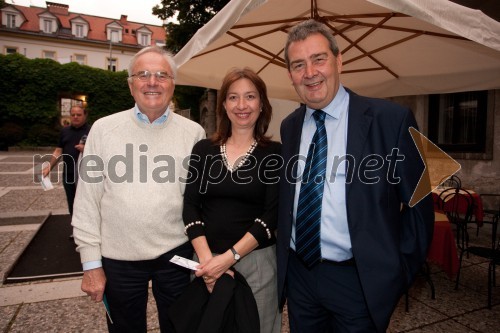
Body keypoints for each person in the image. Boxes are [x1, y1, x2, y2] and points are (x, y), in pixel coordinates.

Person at [276, 19, 434, 332]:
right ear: (291, 75)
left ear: (339, 60)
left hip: (359, 281)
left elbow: (421, 203)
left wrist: (396, 273)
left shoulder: (392, 120)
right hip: (301, 279)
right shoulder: (290, 127)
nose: (310, 73)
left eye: (319, 59)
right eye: (298, 65)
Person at [71, 45, 205, 333]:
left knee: (182, 326)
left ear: (172, 84)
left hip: (176, 255)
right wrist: (90, 264)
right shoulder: (104, 129)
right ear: (131, 85)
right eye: (143, 74)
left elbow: (199, 200)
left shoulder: (194, 133)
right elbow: (86, 201)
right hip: (118, 259)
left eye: (161, 75)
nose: (152, 82)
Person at [183, 67, 282, 333]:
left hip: (256, 264)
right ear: (224, 105)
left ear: (262, 104)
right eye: (233, 97)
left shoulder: (276, 154)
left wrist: (228, 258)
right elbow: (190, 207)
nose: (242, 105)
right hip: (206, 261)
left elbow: (271, 216)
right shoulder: (203, 150)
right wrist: (209, 263)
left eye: (250, 97)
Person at [42, 105, 90, 216]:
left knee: (86, 203)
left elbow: (101, 151)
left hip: (86, 175)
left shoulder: (92, 130)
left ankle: (87, 230)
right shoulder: (65, 131)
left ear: (85, 115)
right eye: (73, 115)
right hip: (68, 174)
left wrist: (86, 149)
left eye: (79, 114)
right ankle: (75, 229)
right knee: (71, 202)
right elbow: (58, 151)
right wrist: (49, 167)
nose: (75, 117)